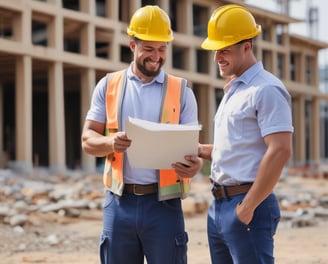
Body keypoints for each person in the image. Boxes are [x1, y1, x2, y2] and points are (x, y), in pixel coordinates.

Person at [81, 5, 203, 264]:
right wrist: (110, 143)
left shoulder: (182, 92)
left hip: (164, 206)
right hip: (119, 204)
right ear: (132, 45)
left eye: (162, 49)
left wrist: (194, 167)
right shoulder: (108, 86)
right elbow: (87, 140)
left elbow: (193, 150)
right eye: (149, 49)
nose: (156, 57)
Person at [198, 4, 294, 264]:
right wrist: (196, 149)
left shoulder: (267, 89)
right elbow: (234, 151)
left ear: (247, 47)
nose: (218, 56)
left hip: (247, 205)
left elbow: (281, 149)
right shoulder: (233, 91)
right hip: (219, 205)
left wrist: (248, 207)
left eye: (225, 50)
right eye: (216, 50)